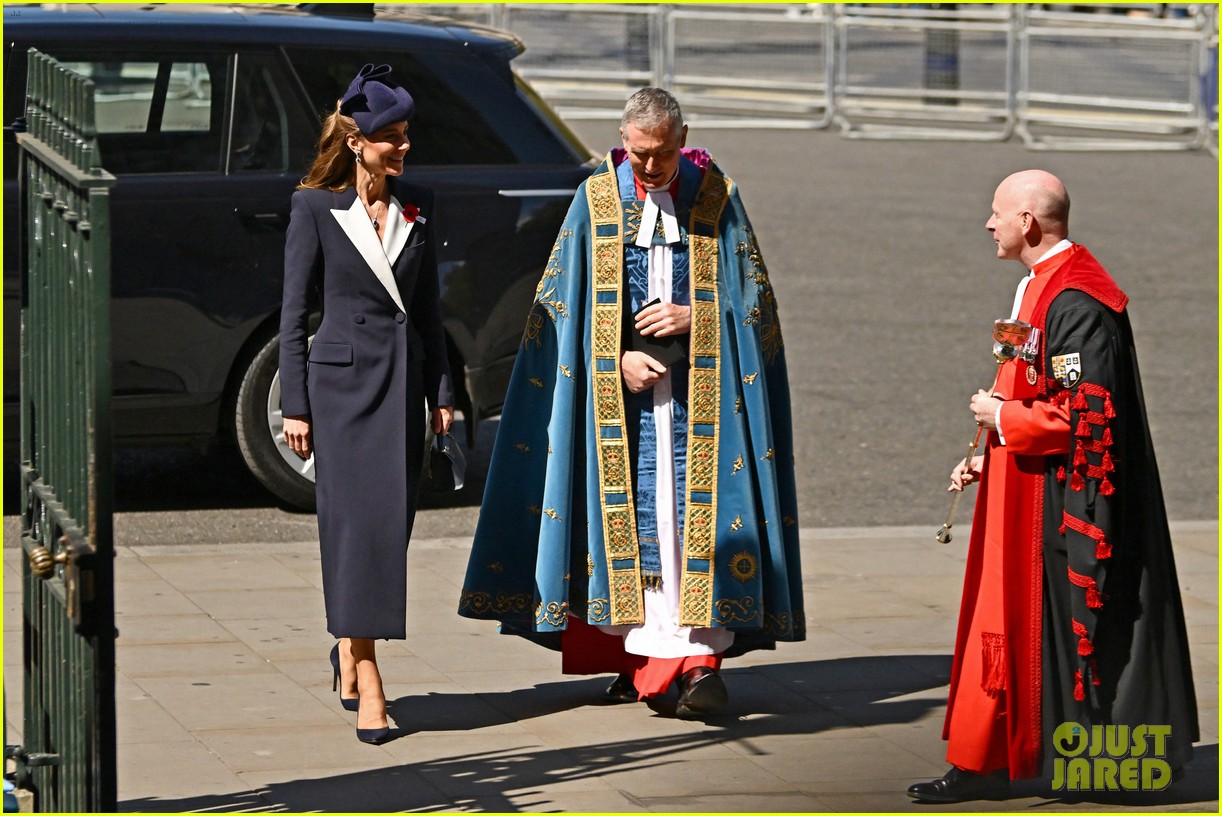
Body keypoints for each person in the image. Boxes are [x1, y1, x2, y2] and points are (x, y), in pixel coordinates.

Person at [457, 88, 804, 718]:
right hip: (622, 411)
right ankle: (646, 660)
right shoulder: (595, 201)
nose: (649, 169)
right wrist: (612, 359)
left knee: (691, 527)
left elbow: (756, 310)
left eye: (663, 154)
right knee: (633, 530)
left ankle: (696, 662)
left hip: (704, 406)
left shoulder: (718, 199)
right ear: (624, 141)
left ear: (683, 137)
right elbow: (560, 314)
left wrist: (697, 316)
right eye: (639, 155)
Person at [908, 170, 1198, 802]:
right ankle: (983, 756)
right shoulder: (1035, 287)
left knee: (1060, 629)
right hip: (1021, 483)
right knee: (1002, 623)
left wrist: (1001, 419)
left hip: (1062, 503)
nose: (988, 223)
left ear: (1028, 224)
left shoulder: (1079, 302)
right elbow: (1032, 383)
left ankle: (1084, 763)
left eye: (997, 213)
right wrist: (991, 453)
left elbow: (1085, 415)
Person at [279, 63, 453, 745]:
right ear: (358, 142)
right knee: (353, 532)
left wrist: (443, 393)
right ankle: (371, 675)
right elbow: (293, 314)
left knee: (388, 532)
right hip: (341, 392)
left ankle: (348, 648)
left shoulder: (419, 204)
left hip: (402, 388)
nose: (404, 147)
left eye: (406, 135)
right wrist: (295, 404)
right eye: (393, 137)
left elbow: (431, 311)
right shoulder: (313, 208)